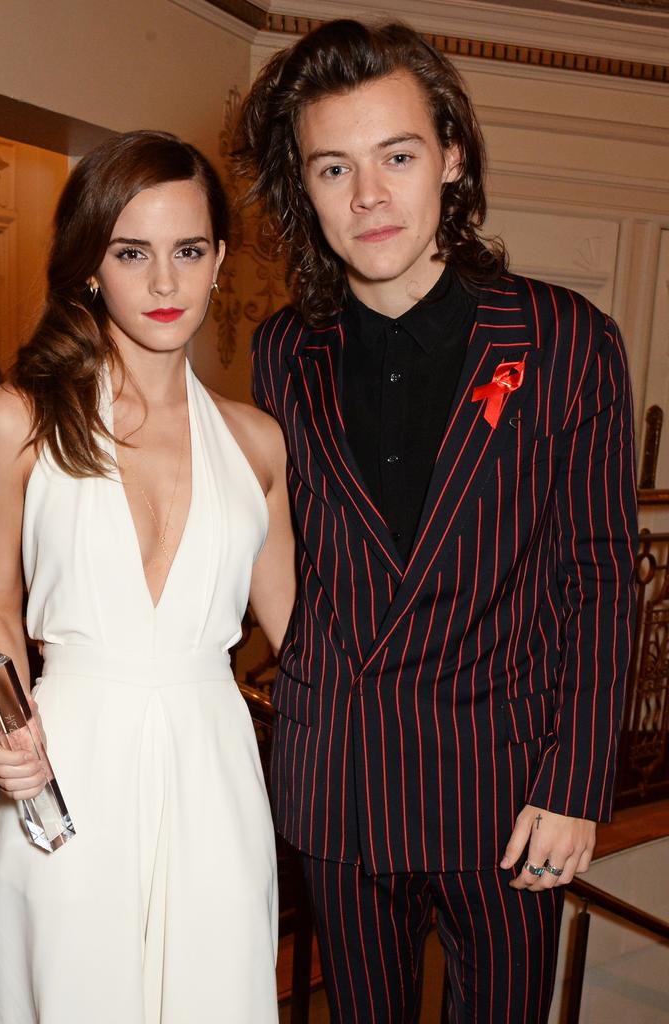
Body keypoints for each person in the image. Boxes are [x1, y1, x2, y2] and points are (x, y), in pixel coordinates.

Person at [234, 19, 638, 1023]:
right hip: (344, 781)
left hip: (508, 790)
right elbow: (282, 547)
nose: (369, 195)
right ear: (303, 186)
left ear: (451, 158)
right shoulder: (284, 348)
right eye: (334, 168)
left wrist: (578, 780)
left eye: (397, 156)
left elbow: (598, 569)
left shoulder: (566, 338)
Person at [0, 129, 295, 1023]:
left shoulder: (258, 443)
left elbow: (305, 637)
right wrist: (9, 734)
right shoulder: (14, 423)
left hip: (215, 768)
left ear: (220, 261)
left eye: (188, 251)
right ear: (89, 267)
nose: (164, 283)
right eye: (131, 252)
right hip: (67, 765)